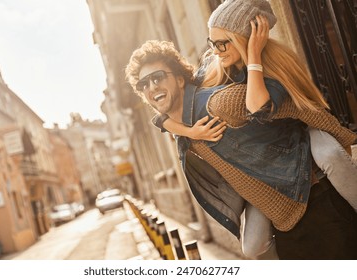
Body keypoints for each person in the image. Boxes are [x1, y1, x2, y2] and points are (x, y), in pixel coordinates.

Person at [151, 0, 357, 259]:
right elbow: (164, 112)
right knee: (252, 247)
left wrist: (254, 56)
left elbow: (256, 106)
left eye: (222, 43)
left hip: (302, 134)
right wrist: (189, 132)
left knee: (332, 157)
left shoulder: (275, 63)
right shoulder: (216, 67)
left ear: (244, 39)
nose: (215, 50)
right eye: (211, 42)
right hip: (263, 166)